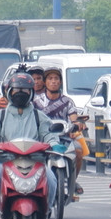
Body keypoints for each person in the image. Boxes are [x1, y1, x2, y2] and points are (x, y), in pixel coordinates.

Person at [0, 71, 61, 219]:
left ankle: (45, 214)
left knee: (51, 180)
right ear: (9, 92)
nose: (21, 94)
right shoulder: (0, 116)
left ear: (31, 93)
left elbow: (49, 134)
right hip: (4, 162)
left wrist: (54, 144)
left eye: (25, 91)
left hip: (35, 162)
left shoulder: (39, 116)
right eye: (17, 90)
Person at [34, 67, 88, 196]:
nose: (53, 81)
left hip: (63, 137)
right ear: (45, 82)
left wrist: (77, 125)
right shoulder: (36, 102)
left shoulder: (68, 101)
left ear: (61, 82)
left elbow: (73, 119)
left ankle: (73, 181)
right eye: (50, 79)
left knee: (79, 151)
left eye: (56, 79)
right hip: (43, 138)